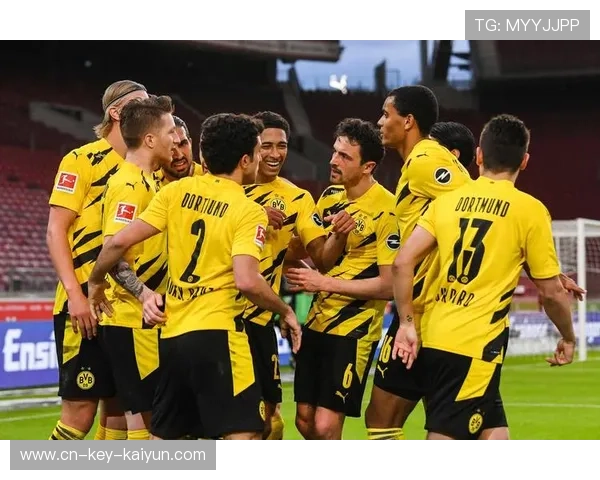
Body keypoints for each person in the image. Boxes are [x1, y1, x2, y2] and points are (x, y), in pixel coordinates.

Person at [87, 113, 302, 440]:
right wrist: (285, 310)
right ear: (245, 160)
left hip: (173, 336)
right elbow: (247, 280)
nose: (261, 159)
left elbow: (117, 243)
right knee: (245, 436)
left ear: (204, 154)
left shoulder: (175, 192)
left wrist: (96, 281)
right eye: (258, 151)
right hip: (220, 335)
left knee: (166, 439)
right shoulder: (247, 210)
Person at [391, 114, 577, 440]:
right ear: (525, 161)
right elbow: (551, 293)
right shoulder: (530, 210)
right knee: (445, 439)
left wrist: (406, 323)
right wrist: (568, 336)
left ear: (478, 155)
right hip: (474, 346)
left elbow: (402, 262)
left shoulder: (446, 202)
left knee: (495, 436)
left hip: (433, 336)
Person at [365, 85, 472, 440]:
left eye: (386, 114)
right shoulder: (418, 162)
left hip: (427, 313)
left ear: (408, 121)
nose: (380, 122)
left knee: (386, 419)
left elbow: (477, 210)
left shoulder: (427, 161)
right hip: (422, 310)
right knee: (393, 418)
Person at [46, 79, 148, 441]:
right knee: (79, 413)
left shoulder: (148, 165)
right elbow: (56, 231)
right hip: (84, 303)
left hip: (128, 308)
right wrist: (75, 296)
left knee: (121, 409)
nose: (148, 109)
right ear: (116, 112)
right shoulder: (81, 160)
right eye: (140, 103)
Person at [287, 118, 399, 440]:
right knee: (304, 421)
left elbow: (389, 286)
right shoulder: (330, 197)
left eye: (345, 156)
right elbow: (321, 258)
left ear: (368, 167)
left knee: (325, 425)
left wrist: (325, 284)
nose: (334, 160)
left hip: (354, 330)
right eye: (335, 152)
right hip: (317, 321)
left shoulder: (388, 209)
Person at [242, 111, 349, 440]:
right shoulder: (223, 186)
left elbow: (321, 259)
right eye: (267, 146)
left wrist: (339, 233)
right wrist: (254, 214)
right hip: (215, 317)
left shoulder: (297, 198)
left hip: (259, 320)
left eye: (282, 146)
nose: (275, 154)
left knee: (269, 422)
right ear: (252, 147)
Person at [89, 95, 179, 440]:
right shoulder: (128, 186)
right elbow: (114, 249)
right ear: (150, 139)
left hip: (144, 320)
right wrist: (143, 295)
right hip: (131, 319)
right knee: (146, 422)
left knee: (145, 419)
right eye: (170, 132)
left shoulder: (149, 182)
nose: (175, 139)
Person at [154, 115, 204, 187]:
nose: (179, 156)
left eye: (182, 144)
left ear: (190, 143)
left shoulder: (211, 177)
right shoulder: (148, 186)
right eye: (170, 147)